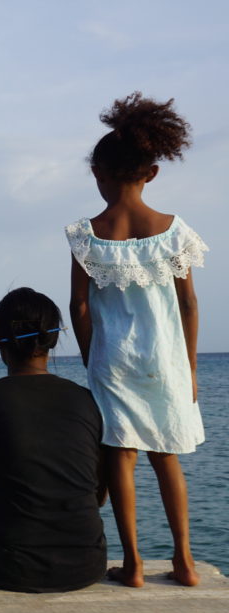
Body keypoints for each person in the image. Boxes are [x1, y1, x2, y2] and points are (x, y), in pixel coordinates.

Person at [67, 92, 208, 587]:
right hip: (166, 361)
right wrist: (190, 367)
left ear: (98, 174)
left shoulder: (88, 234)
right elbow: (188, 304)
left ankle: (133, 565)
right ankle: (186, 562)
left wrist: (90, 360)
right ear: (151, 173)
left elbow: (79, 307)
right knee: (166, 457)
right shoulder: (172, 231)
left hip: (112, 362)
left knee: (120, 456)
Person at [0, 288, 108, 593]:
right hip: (86, 564)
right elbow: (98, 496)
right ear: (54, 339)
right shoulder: (89, 401)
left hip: (9, 568)